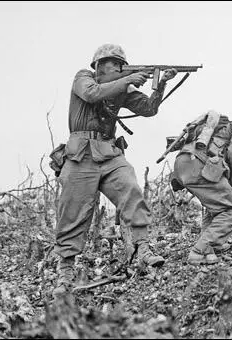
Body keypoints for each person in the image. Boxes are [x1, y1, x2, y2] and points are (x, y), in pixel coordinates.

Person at [52, 43, 177, 296]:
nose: (118, 67)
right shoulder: (83, 77)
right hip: (80, 155)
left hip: (109, 153)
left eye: (121, 64)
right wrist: (128, 79)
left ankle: (142, 248)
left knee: (130, 189)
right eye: (113, 63)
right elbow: (91, 94)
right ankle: (65, 272)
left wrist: (161, 82)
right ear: (98, 65)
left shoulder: (120, 89)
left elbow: (148, 109)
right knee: (73, 211)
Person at [171, 108, 232, 265]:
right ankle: (200, 251)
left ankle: (210, 247)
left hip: (183, 164)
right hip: (199, 164)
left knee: (216, 208)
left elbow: (226, 157)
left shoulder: (224, 132)